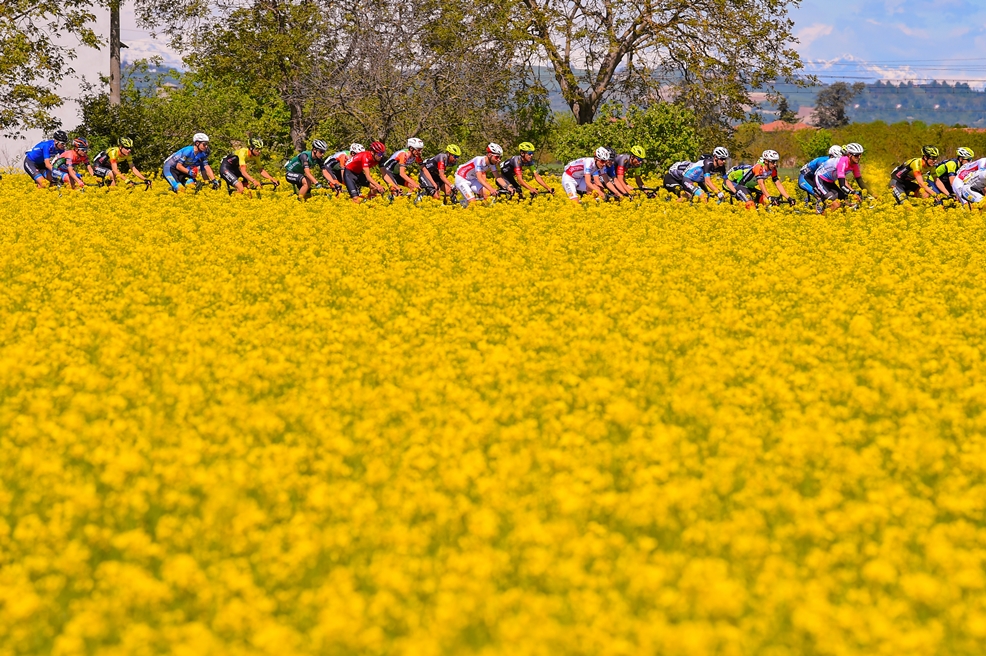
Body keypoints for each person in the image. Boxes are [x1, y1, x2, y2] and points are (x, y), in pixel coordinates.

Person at [723, 150, 795, 208]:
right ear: (766, 161)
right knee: (750, 204)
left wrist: (788, 198)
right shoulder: (759, 167)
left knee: (766, 201)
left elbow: (778, 184)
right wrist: (769, 197)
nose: (775, 164)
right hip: (732, 183)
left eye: (776, 161)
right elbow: (761, 183)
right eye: (773, 162)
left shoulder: (773, 169)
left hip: (747, 187)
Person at [815, 142, 868, 210]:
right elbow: (842, 185)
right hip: (820, 179)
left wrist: (873, 194)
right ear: (849, 155)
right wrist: (853, 193)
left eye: (860, 155)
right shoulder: (842, 163)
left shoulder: (855, 165)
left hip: (830, 181)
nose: (859, 157)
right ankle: (820, 219)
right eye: (856, 155)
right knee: (836, 205)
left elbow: (861, 182)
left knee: (843, 202)